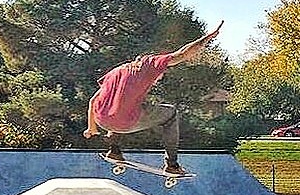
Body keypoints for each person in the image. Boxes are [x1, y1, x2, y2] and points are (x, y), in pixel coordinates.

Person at [83, 21, 224, 174]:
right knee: (171, 113)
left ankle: (114, 151)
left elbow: (93, 101)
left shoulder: (115, 72)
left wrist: (92, 127)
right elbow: (182, 54)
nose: (160, 77)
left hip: (101, 120)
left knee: (127, 106)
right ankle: (172, 165)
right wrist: (207, 38)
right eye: (162, 73)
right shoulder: (149, 64)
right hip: (122, 122)